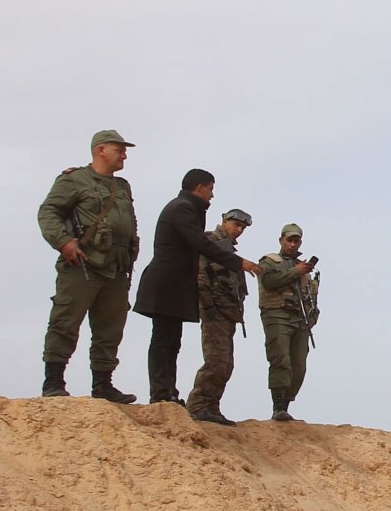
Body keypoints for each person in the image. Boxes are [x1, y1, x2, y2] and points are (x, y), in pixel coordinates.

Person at [132, 170, 258, 407]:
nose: (212, 194)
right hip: (166, 282)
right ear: (200, 187)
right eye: (210, 189)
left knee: (171, 340)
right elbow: (199, 243)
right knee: (163, 340)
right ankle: (160, 393)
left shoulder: (187, 208)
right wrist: (238, 263)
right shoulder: (182, 208)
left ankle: (167, 392)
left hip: (175, 285)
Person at [36, 130, 141, 402]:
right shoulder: (73, 180)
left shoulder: (123, 186)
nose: (125, 155)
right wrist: (63, 242)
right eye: (119, 149)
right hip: (83, 263)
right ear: (101, 150)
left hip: (116, 267)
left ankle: (103, 385)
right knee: (65, 321)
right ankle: (54, 381)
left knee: (110, 328)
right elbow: (48, 212)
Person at [186, 207, 254, 425]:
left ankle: (211, 406)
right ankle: (198, 405)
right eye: (236, 224)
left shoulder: (229, 251)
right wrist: (208, 305)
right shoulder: (210, 243)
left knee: (225, 364)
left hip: (228, 312)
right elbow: (201, 275)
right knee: (215, 361)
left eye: (242, 227)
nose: (239, 230)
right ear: (225, 220)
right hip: (214, 310)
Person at [257, 223, 318, 422]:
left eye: (296, 241)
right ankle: (278, 406)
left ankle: (286, 405)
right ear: (281, 240)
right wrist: (296, 272)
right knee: (280, 359)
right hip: (277, 315)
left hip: (300, 319)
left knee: (299, 365)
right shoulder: (270, 261)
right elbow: (269, 281)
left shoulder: (304, 268)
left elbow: (311, 295)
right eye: (289, 240)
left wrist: (313, 314)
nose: (292, 244)